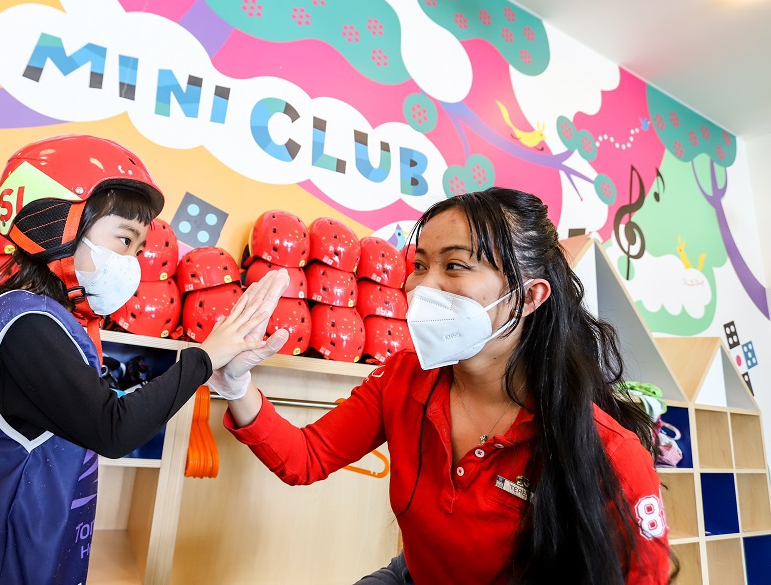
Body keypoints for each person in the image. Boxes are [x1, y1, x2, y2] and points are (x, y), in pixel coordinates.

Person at [221, 187, 671, 585]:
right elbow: (306, 457)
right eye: (419, 265)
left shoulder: (610, 453)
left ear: (530, 297)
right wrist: (237, 384)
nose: (421, 286)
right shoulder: (401, 377)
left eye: (454, 265)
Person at [0, 134, 289, 584]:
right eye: (124, 239)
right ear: (55, 226)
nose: (133, 262)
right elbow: (113, 429)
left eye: (138, 249)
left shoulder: (40, 318)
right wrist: (203, 357)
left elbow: (97, 407)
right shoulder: (30, 326)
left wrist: (218, 372)